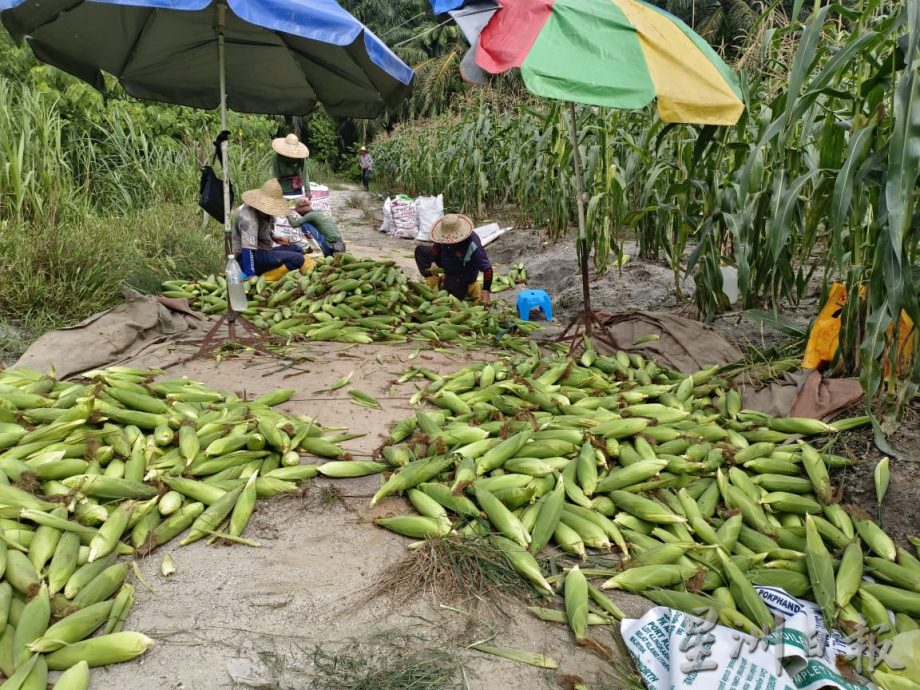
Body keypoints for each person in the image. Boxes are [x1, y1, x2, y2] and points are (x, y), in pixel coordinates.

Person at [232, 178, 305, 278]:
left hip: (262, 251)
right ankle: (268, 278)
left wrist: (274, 237)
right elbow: (247, 250)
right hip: (247, 258)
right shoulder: (249, 220)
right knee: (298, 259)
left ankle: (276, 272)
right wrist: (251, 274)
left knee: (297, 249)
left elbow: (261, 229)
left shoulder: (260, 212)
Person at [414, 214, 492, 306]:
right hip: (446, 260)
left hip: (463, 271)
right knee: (420, 251)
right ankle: (434, 279)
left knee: (451, 295)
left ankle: (471, 286)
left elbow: (488, 269)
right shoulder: (443, 237)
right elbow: (436, 246)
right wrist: (433, 261)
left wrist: (486, 290)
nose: (449, 241)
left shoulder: (472, 244)